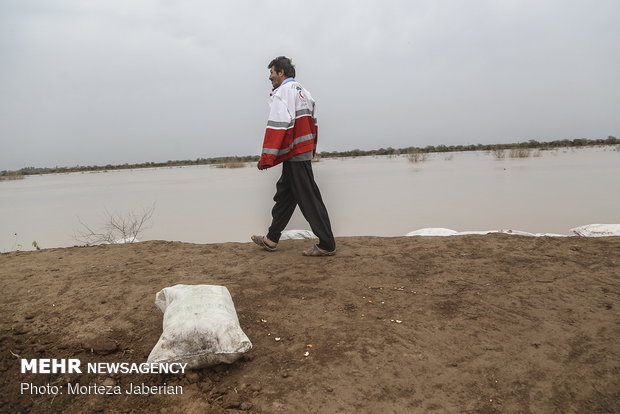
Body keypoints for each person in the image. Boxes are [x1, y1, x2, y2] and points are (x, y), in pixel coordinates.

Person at [251, 56, 336, 256]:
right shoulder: (303, 92)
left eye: (272, 72)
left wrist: (267, 158)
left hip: (295, 152)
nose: (269, 77)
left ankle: (327, 244)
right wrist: (310, 150)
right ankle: (272, 239)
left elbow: (278, 127)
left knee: (308, 198)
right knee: (285, 196)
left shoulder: (282, 93)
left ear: (282, 72)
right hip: (300, 150)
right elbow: (313, 123)